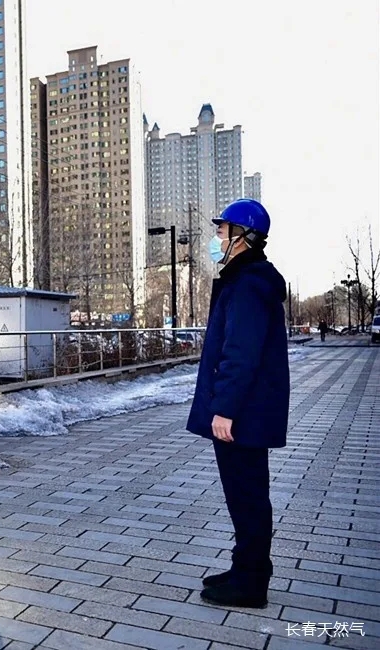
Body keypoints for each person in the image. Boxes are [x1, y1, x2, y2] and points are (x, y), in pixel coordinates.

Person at [186, 198, 290, 608]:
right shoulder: (246, 280)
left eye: (221, 231)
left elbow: (240, 353)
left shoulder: (247, 284)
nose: (216, 238)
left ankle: (250, 583)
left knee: (246, 495)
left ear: (243, 237)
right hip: (248, 409)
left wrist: (224, 408)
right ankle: (245, 567)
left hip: (242, 412)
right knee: (246, 493)